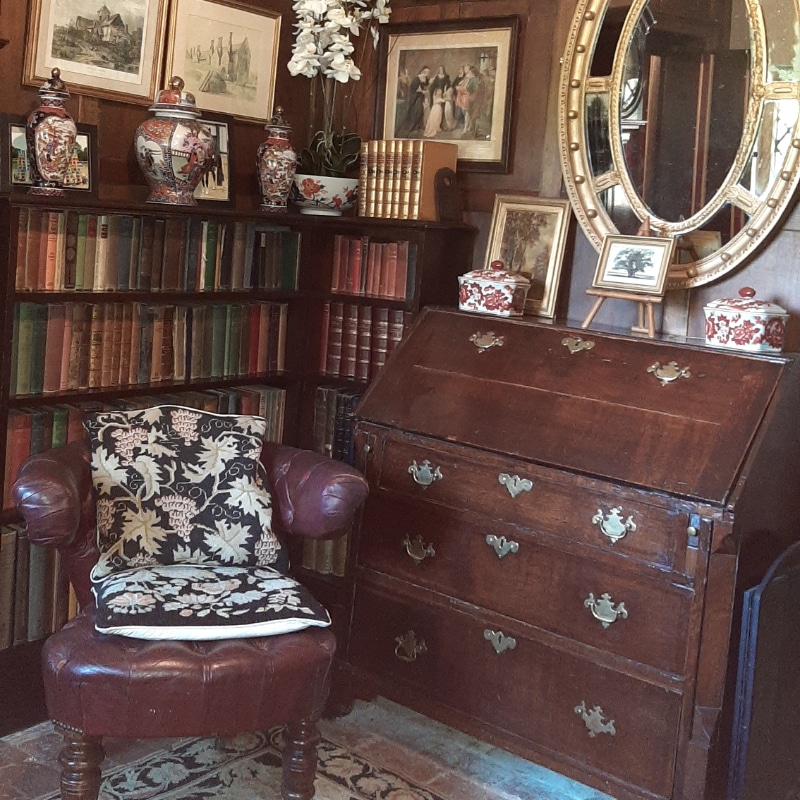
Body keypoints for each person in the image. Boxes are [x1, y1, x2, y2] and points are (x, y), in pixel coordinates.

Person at [399, 66, 430, 136]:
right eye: (426, 72)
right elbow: (414, 88)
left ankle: (418, 127)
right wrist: (422, 91)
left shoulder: (423, 78)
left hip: (419, 98)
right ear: (423, 72)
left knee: (420, 111)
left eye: (428, 72)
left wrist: (423, 91)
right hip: (415, 98)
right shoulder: (417, 78)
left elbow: (425, 85)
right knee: (416, 111)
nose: (427, 74)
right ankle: (414, 127)